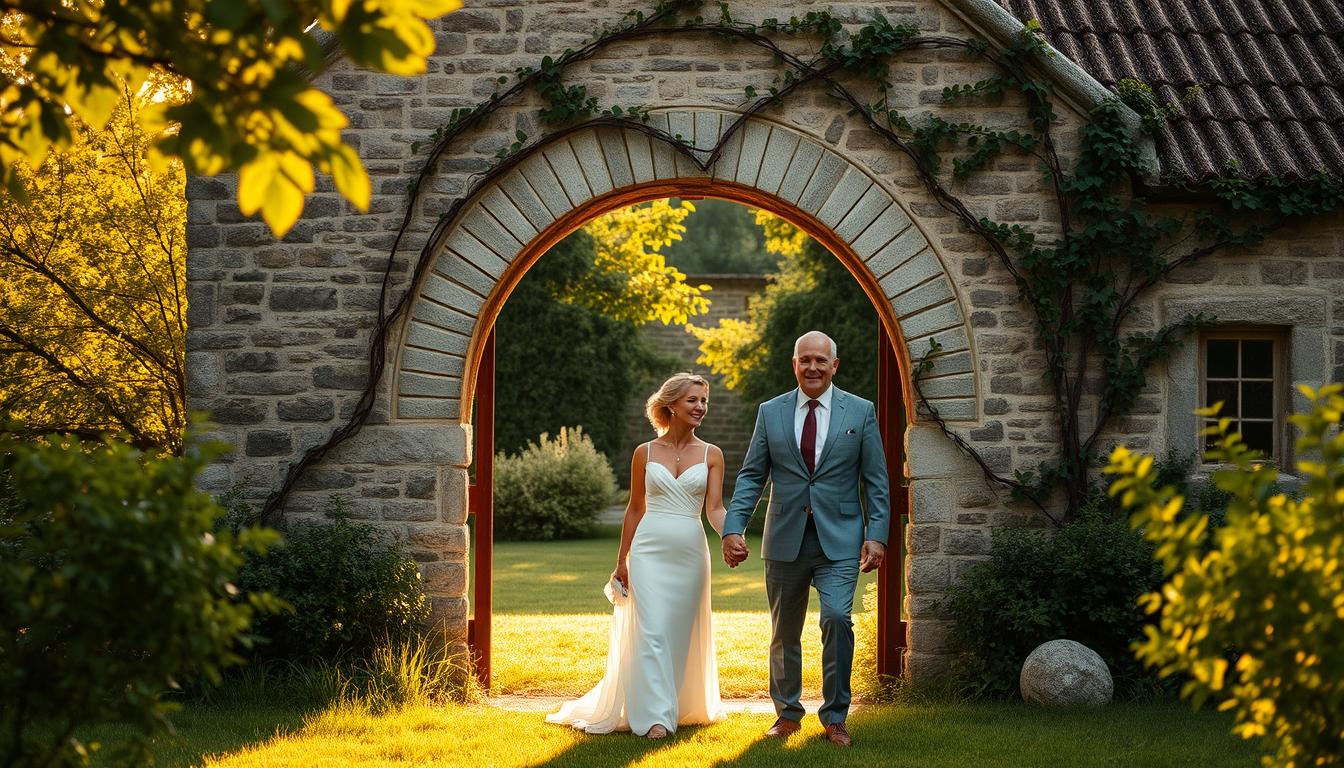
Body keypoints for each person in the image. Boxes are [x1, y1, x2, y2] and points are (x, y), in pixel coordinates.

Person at [720, 331, 889, 748]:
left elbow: (876, 481)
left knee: (836, 618)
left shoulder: (861, 411)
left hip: (841, 540)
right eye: (804, 360)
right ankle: (787, 715)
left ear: (835, 365)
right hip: (784, 539)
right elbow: (752, 475)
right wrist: (732, 527)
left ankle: (835, 718)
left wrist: (877, 535)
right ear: (793, 364)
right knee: (784, 631)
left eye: (820, 360)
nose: (812, 367)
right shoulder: (771, 411)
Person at [547, 372, 727, 739]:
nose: (700, 407)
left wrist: (731, 536)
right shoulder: (644, 453)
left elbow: (715, 509)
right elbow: (634, 509)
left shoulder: (712, 454)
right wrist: (621, 561)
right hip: (648, 551)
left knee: (677, 633)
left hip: (691, 553)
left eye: (704, 401)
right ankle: (657, 718)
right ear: (671, 404)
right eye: (693, 400)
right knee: (653, 631)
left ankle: (677, 703)